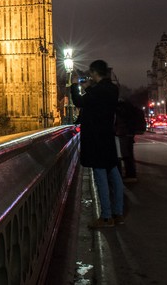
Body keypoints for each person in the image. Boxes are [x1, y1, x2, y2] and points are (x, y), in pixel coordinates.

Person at [72, 59, 124, 228]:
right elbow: (97, 99)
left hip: (96, 139)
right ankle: (118, 212)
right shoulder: (112, 89)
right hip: (107, 137)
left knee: (100, 176)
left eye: (91, 74)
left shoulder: (97, 91)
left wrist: (75, 86)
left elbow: (79, 102)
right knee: (114, 174)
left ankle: (107, 216)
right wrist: (89, 88)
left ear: (95, 73)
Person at [115, 99, 139, 182]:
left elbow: (119, 123)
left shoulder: (119, 110)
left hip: (123, 135)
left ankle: (128, 175)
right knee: (128, 155)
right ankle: (131, 174)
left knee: (124, 155)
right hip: (128, 134)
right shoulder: (128, 109)